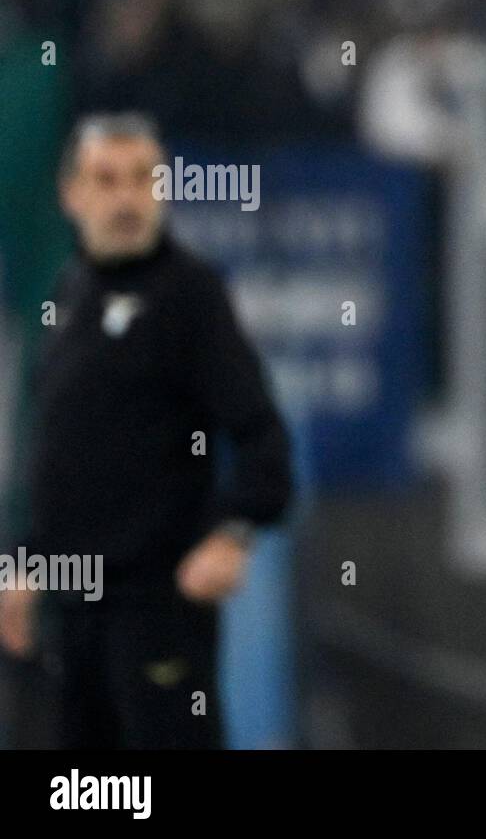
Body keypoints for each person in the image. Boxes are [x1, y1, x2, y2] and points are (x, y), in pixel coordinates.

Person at [0, 112, 292, 748]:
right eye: (107, 180)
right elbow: (53, 448)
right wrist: (21, 564)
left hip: (157, 606)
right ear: (71, 194)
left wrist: (234, 532)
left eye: (143, 179)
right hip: (73, 610)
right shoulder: (68, 293)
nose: (127, 198)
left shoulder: (189, 294)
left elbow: (263, 437)